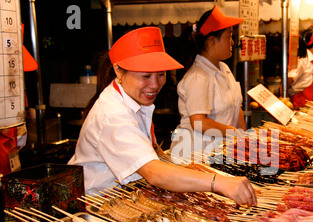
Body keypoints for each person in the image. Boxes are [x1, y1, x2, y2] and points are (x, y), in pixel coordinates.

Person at [68, 27, 257, 207]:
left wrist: (196, 173)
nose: (155, 84)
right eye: (146, 76)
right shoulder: (112, 114)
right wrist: (218, 182)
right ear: (119, 71)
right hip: (96, 205)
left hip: (124, 196)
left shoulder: (132, 99)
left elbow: (155, 154)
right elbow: (154, 173)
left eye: (160, 74)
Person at [170, 6, 246, 161]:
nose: (232, 42)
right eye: (228, 36)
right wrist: (234, 132)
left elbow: (236, 107)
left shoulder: (224, 69)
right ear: (212, 40)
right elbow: (199, 122)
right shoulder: (198, 76)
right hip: (196, 155)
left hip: (221, 152)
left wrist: (243, 139)